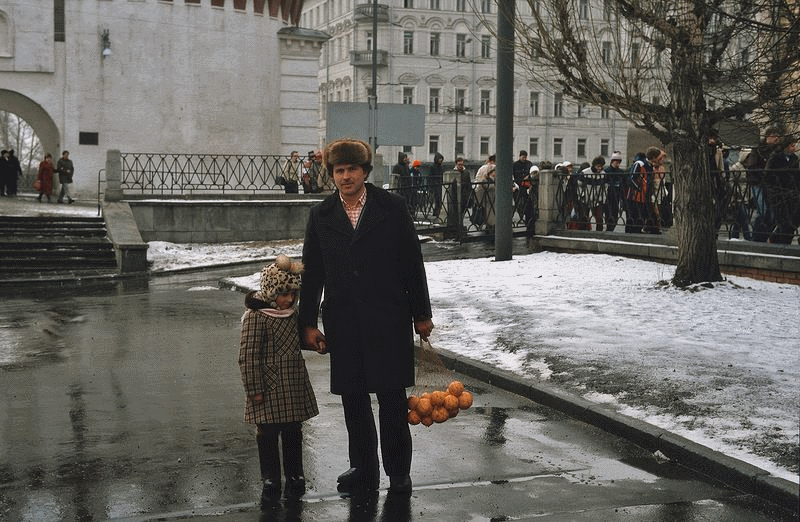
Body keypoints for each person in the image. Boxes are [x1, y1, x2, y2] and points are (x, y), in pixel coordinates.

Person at [299, 138, 434, 497]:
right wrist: (308, 324)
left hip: (388, 318)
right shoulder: (321, 215)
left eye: (352, 169)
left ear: (365, 172)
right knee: (354, 401)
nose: (346, 177)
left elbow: (412, 264)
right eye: (339, 170)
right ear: (332, 175)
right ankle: (363, 469)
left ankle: (399, 473)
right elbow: (312, 273)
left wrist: (421, 314)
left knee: (391, 400)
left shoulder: (392, 207)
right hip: (344, 322)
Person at [239, 255, 319, 501]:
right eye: (284, 294)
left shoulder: (291, 315)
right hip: (268, 386)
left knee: (293, 430)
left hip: (292, 384)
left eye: (293, 294)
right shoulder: (256, 317)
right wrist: (254, 389)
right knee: (268, 432)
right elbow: (248, 357)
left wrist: (315, 342)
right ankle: (271, 478)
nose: (290, 299)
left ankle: (295, 475)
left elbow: (296, 341)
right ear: (271, 293)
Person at [744, 127, 782, 242]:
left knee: (771, 212)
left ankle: (764, 235)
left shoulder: (777, 150)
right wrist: (764, 174)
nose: (776, 139)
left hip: (770, 185)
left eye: (778, 137)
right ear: (767, 137)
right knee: (762, 210)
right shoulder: (758, 149)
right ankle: (756, 235)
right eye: (774, 136)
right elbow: (752, 166)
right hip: (758, 182)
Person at [764, 138, 800, 244]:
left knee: (792, 219)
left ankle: (783, 239)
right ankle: (776, 239)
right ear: (786, 146)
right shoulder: (776, 156)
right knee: (783, 219)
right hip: (778, 192)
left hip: (791, 192)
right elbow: (768, 174)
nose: (794, 148)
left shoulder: (794, 158)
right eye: (792, 145)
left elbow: (796, 176)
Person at [582, 156, 606, 231]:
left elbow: (605, 188)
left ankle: (599, 233)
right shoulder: (585, 172)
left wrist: (603, 198)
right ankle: (584, 231)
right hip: (586, 198)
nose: (599, 168)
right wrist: (582, 195)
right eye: (598, 166)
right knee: (584, 218)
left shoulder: (603, 174)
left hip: (597, 199)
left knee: (599, 219)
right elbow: (579, 185)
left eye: (601, 166)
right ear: (594, 165)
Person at [603, 151, 626, 231]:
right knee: (608, 213)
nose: (617, 163)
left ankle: (611, 227)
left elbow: (623, 184)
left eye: (619, 162)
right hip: (608, 195)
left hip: (617, 195)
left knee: (615, 213)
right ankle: (609, 227)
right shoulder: (606, 171)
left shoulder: (621, 172)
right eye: (616, 161)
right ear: (612, 161)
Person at [512, 151, 533, 223]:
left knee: (526, 202)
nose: (524, 159)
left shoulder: (529, 164)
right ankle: (521, 216)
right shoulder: (515, 165)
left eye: (525, 157)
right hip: (518, 185)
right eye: (523, 157)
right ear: (520, 156)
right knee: (518, 202)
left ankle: (525, 217)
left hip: (526, 186)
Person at [429, 152, 445, 217]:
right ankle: (436, 211)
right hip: (435, 185)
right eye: (439, 159)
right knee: (437, 199)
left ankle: (438, 211)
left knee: (440, 199)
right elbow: (430, 176)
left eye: (441, 159)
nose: (440, 160)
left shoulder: (441, 167)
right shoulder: (433, 167)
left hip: (440, 184)